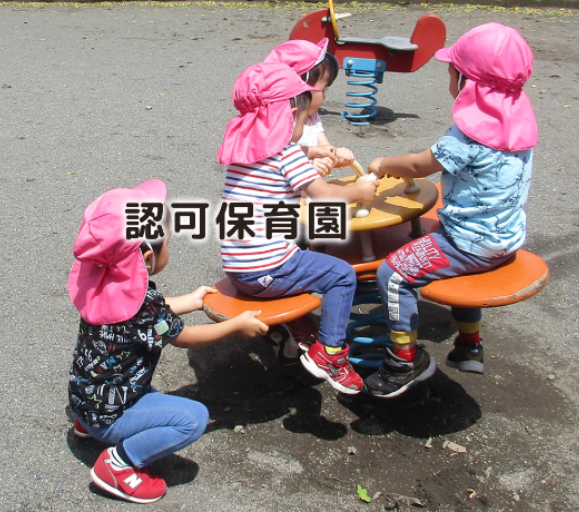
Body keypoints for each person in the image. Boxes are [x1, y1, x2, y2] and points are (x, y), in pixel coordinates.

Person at [364, 23, 539, 398]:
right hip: (506, 238)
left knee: (392, 273)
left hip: (468, 245)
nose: (449, 77)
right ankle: (469, 345)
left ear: (466, 82)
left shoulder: (468, 135)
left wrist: (383, 163)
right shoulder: (517, 120)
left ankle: (403, 360)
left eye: (451, 72)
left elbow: (419, 165)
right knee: (437, 238)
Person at [68, 179, 268, 503]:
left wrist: (192, 300)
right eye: (169, 243)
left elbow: (146, 315)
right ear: (148, 256)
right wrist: (235, 326)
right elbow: (184, 337)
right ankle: (118, 465)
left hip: (85, 399)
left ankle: (88, 424)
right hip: (112, 413)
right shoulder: (145, 305)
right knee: (193, 419)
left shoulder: (103, 280)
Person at [217, 61, 378, 394]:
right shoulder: (286, 153)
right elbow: (324, 195)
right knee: (341, 273)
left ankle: (301, 328)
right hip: (267, 270)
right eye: (303, 121)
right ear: (290, 115)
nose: (303, 127)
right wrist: (359, 191)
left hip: (237, 269)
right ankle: (330, 354)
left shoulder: (241, 150)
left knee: (302, 252)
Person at [264, 38, 355, 177]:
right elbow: (277, 157)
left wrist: (338, 155)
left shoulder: (312, 118)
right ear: (300, 91)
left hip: (307, 189)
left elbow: (325, 149)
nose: (324, 97)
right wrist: (309, 166)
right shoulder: (275, 122)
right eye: (323, 90)